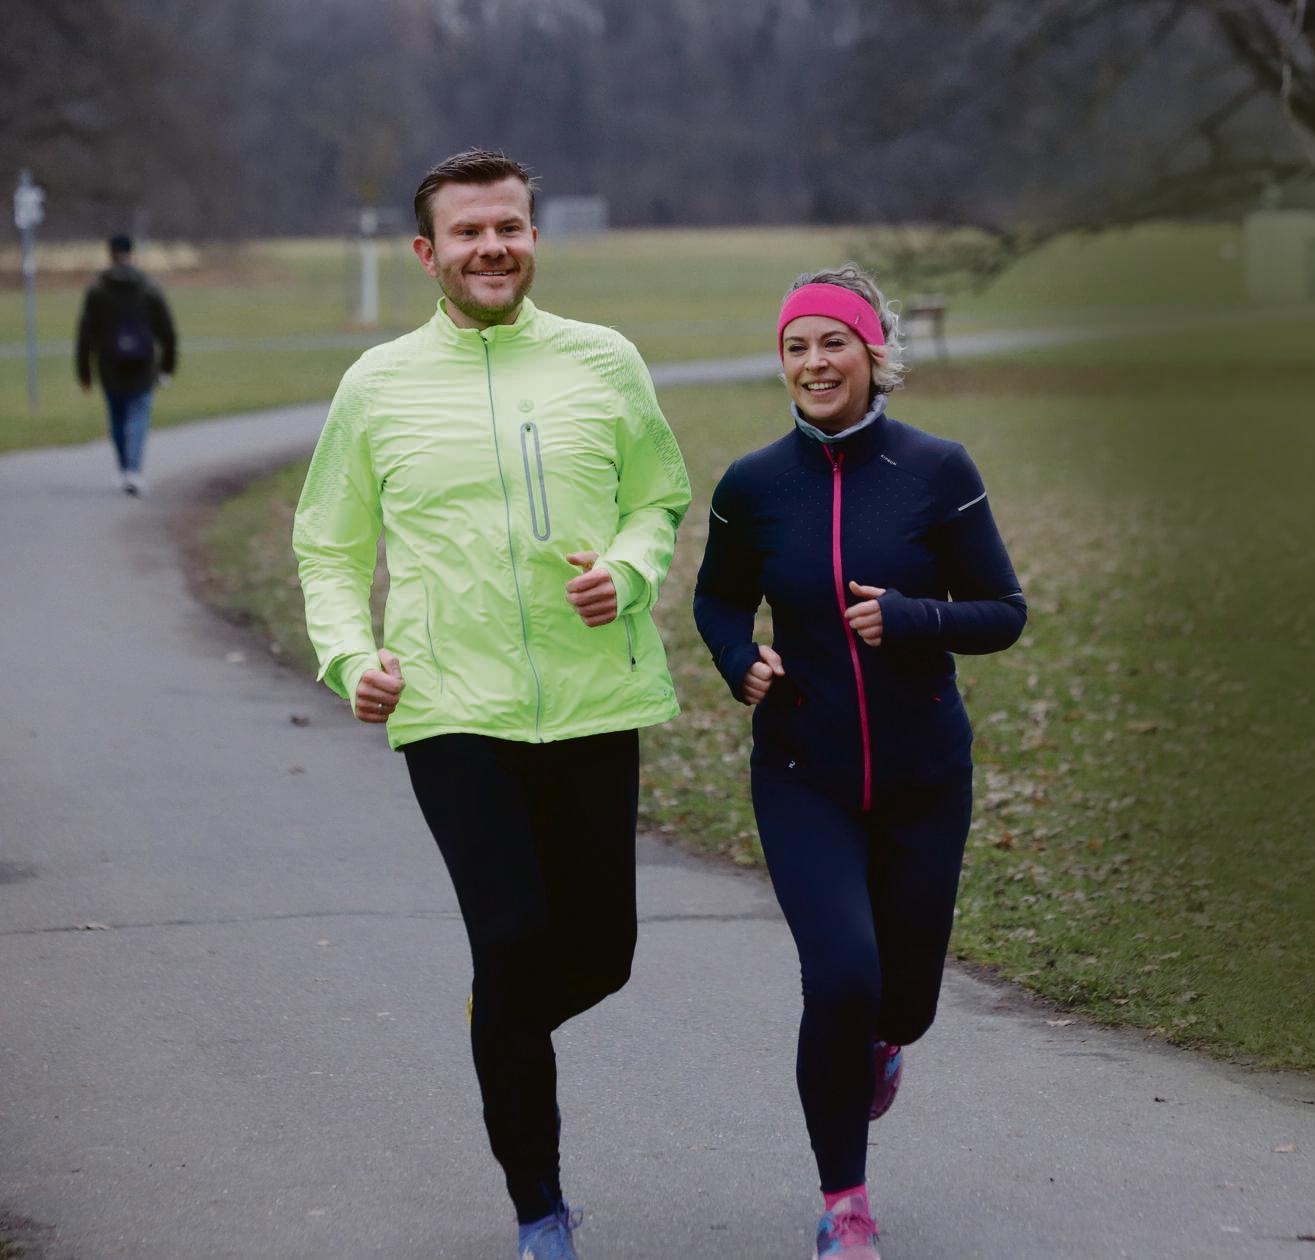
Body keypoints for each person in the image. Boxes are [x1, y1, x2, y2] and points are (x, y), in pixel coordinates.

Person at [292, 149, 690, 1260]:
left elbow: (659, 495)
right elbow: (328, 544)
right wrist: (347, 655)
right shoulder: (377, 385)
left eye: (508, 226)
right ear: (427, 253)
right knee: (512, 938)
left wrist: (632, 567)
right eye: (468, 233)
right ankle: (539, 1211)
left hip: (592, 697)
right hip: (449, 706)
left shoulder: (604, 362)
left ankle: (500, 1029)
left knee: (600, 952)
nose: (492, 248)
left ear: (532, 234)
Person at [693, 265, 1026, 1260]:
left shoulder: (936, 471)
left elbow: (1003, 613)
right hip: (805, 773)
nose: (812, 362)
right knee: (840, 978)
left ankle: (883, 1043)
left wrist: (915, 616)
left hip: (925, 779)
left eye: (831, 343)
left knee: (903, 1003)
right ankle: (845, 1207)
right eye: (795, 347)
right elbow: (716, 599)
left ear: (872, 355)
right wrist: (736, 659)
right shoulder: (752, 487)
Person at [74, 234, 178, 496]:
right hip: (142, 365)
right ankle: (133, 469)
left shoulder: (97, 290)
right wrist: (167, 367)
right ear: (132, 254)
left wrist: (84, 372)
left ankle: (124, 469)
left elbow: (85, 334)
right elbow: (167, 331)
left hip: (109, 365)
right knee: (138, 417)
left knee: (118, 417)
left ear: (109, 254)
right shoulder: (148, 288)